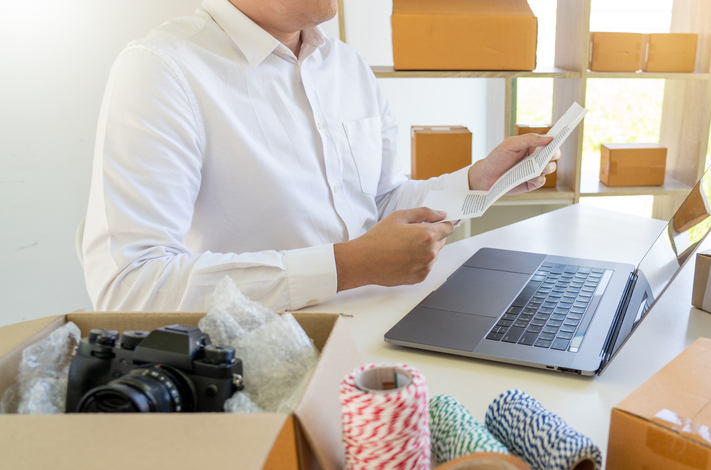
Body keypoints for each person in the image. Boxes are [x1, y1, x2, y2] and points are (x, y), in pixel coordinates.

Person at [82, 0, 558, 312]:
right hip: (258, 364)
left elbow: (378, 203)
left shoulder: (345, 65)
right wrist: (347, 265)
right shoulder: (163, 68)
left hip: (376, 329)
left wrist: (477, 183)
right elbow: (129, 287)